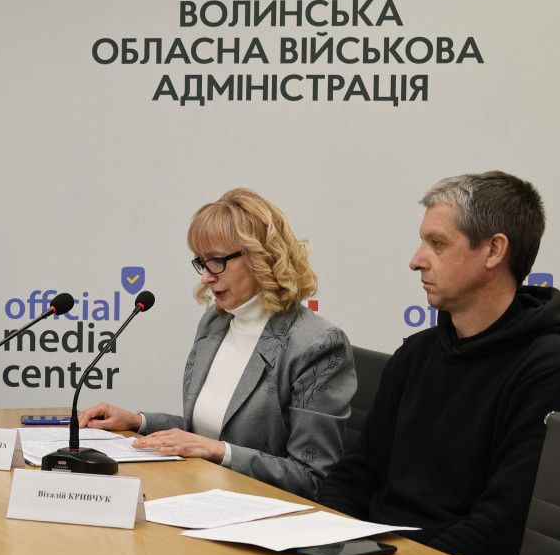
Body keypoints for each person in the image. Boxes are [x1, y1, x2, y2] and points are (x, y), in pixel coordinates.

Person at [318, 171, 560, 555]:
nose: (416, 260)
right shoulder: (416, 353)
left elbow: (502, 527)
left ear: (494, 250)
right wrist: (325, 542)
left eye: (437, 243)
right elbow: (356, 472)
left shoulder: (556, 371)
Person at [79, 188, 355, 499]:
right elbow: (208, 432)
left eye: (217, 262)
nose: (205, 277)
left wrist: (218, 451)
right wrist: (138, 421)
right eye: (202, 262)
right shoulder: (216, 320)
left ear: (261, 257)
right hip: (201, 494)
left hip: (260, 511)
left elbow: (312, 477)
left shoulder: (316, 344)